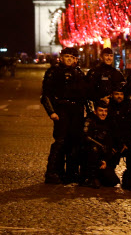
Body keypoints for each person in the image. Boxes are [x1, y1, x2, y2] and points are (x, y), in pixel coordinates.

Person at [41, 47, 87, 184]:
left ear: (76, 59)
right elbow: (46, 96)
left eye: (72, 57)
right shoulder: (53, 72)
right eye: (66, 56)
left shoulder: (79, 73)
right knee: (60, 142)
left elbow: (85, 95)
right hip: (61, 110)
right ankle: (53, 172)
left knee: (74, 142)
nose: (69, 59)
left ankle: (71, 172)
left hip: (76, 111)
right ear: (61, 58)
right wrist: (51, 112)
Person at [79, 102, 120, 188]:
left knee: (113, 181)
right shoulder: (89, 122)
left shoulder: (109, 123)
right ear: (95, 112)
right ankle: (89, 178)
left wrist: (105, 160)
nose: (103, 113)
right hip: (90, 159)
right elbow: (85, 141)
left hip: (104, 158)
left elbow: (110, 143)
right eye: (101, 111)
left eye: (105, 111)